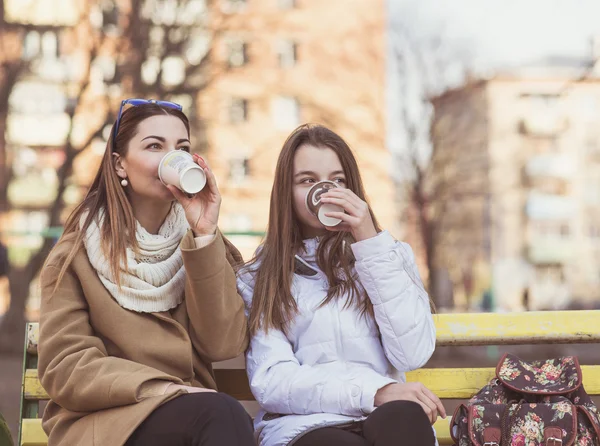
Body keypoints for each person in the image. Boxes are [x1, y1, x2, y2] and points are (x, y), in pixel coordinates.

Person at [38, 99, 254, 446]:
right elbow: (66, 368)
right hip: (107, 423)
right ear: (120, 165)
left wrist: (204, 234)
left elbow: (224, 345)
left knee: (223, 415)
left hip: (196, 416)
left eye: (182, 148)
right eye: (155, 146)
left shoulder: (210, 248)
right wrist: (162, 388)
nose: (172, 158)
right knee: (221, 414)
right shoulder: (74, 257)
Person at [237, 124, 445, 446]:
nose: (326, 191)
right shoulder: (260, 277)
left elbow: (412, 353)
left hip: (385, 416)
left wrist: (369, 244)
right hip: (304, 426)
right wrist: (375, 391)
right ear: (286, 194)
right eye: (308, 180)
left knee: (405, 421)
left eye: (338, 181)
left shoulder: (387, 256)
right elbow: (273, 381)